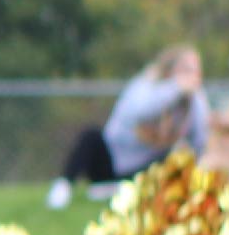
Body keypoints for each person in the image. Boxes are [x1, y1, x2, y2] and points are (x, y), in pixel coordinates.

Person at [50, 45, 206, 207]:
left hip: (144, 170)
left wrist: (196, 96)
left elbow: (201, 139)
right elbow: (138, 113)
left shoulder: (193, 100)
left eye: (195, 70)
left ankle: (120, 190)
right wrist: (175, 88)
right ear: (170, 70)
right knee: (90, 136)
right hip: (111, 159)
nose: (192, 76)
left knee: (179, 155)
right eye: (186, 70)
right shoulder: (146, 84)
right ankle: (63, 188)